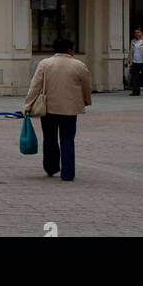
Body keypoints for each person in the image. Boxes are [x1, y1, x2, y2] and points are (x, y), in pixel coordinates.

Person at [24, 36, 92, 181]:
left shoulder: (45, 64)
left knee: (50, 138)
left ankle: (51, 167)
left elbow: (35, 86)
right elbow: (86, 86)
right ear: (70, 50)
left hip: (48, 108)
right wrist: (86, 101)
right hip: (70, 108)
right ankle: (68, 173)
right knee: (67, 139)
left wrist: (28, 105)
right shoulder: (79, 65)